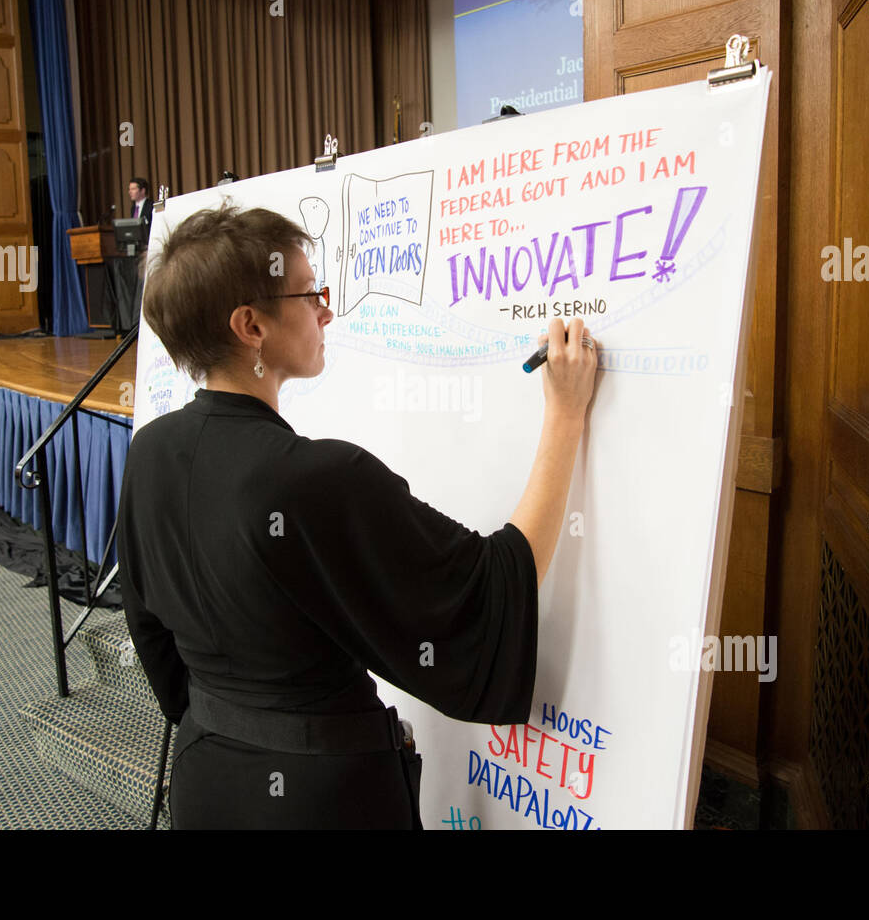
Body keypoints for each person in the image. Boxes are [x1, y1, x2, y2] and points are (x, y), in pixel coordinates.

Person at [117, 205, 598, 829]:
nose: (326, 310)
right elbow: (493, 589)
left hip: (206, 776)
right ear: (250, 326)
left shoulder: (150, 449)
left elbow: (151, 632)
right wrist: (566, 414)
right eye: (310, 293)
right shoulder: (314, 477)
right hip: (324, 800)